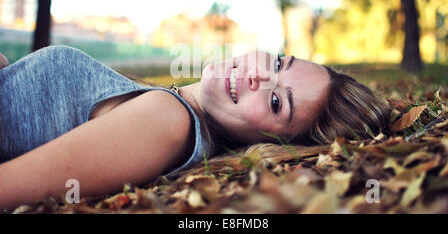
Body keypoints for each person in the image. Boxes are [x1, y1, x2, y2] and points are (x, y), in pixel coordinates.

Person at [0, 45, 391, 210]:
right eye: (276, 63)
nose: (258, 76)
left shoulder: (167, 121)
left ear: (270, 140)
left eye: (276, 102)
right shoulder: (163, 102)